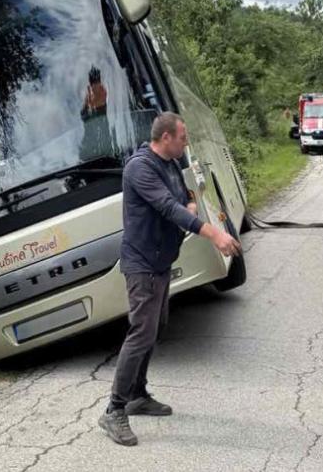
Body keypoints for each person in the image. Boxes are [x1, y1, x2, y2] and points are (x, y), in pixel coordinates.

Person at [99, 112, 241, 447]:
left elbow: (183, 196)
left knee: (155, 328)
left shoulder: (171, 164)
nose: (186, 141)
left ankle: (137, 394)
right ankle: (114, 409)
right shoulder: (140, 168)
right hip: (142, 264)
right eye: (182, 136)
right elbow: (166, 206)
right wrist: (212, 234)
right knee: (141, 333)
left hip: (161, 261)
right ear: (165, 137)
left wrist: (191, 203)